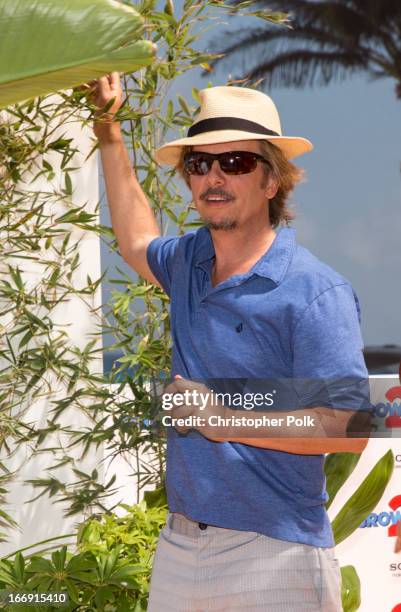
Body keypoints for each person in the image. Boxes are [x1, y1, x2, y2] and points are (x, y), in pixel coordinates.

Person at [90, 73, 370, 611]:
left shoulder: (312, 291)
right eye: (200, 164)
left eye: (236, 163)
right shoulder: (190, 264)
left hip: (276, 554)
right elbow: (135, 240)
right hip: (179, 546)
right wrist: (109, 128)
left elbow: (349, 425)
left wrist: (222, 418)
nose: (214, 177)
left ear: (272, 181)